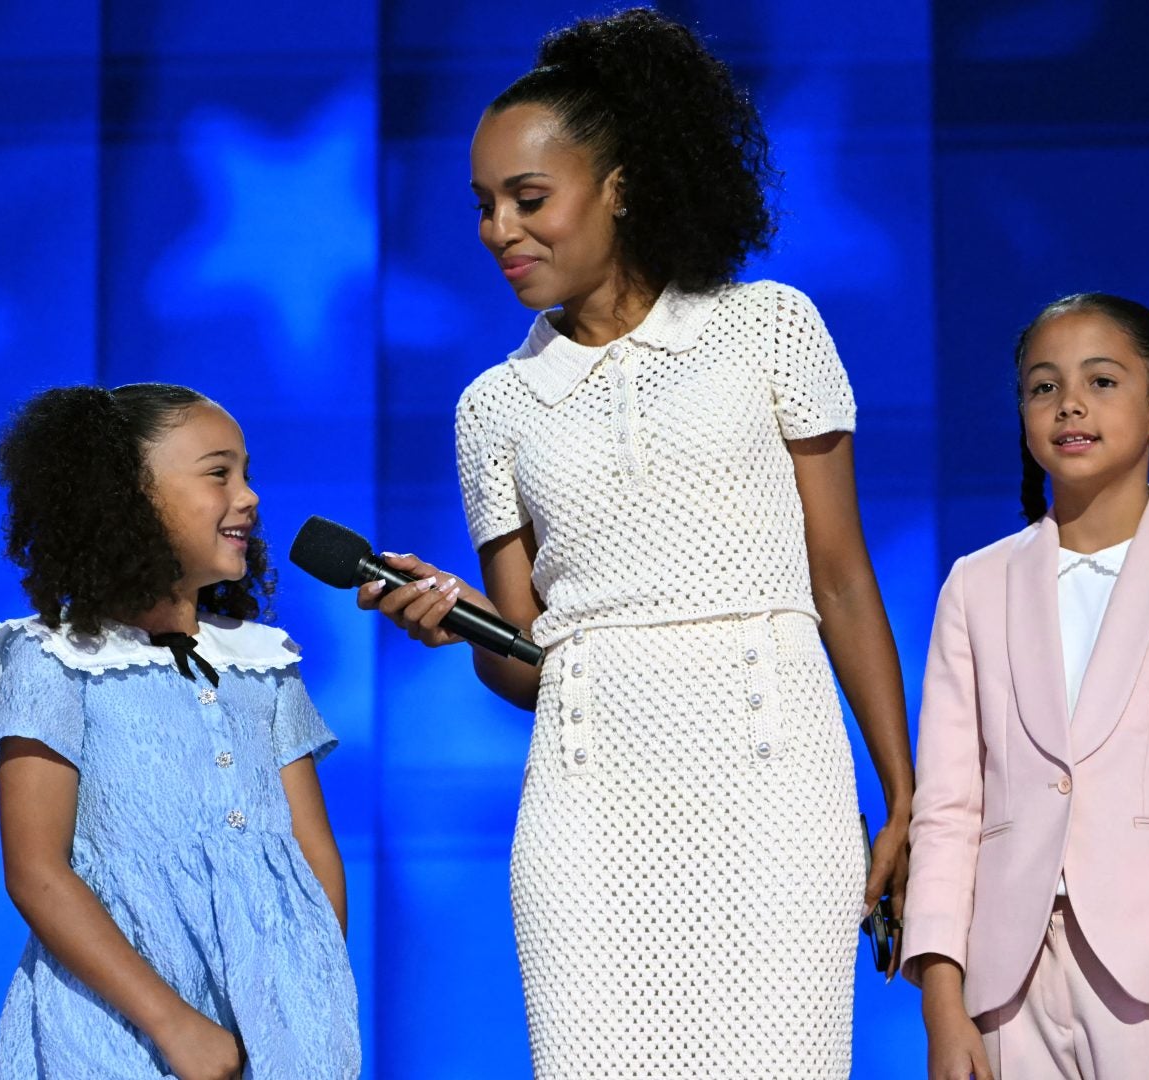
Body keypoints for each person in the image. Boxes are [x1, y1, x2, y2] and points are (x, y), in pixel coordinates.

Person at [362, 9, 914, 1077]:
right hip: (587, 808)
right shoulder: (494, 406)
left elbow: (842, 579)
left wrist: (905, 795)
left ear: (619, 185)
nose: (500, 232)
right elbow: (527, 657)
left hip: (775, 781)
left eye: (530, 199)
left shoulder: (769, 328)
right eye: (483, 208)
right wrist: (457, 627)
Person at [902, 294, 1149, 1080]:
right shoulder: (976, 586)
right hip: (1005, 983)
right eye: (1043, 387)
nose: (1070, 403)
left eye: (1102, 381)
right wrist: (944, 1003)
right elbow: (947, 808)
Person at [0, 383, 359, 1080]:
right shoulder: (57, 661)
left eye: (247, 473)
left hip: (270, 1029)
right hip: (110, 1027)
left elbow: (313, 855)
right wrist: (173, 1025)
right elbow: (36, 871)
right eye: (219, 473)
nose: (247, 497)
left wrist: (307, 1000)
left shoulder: (263, 661)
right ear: (122, 497)